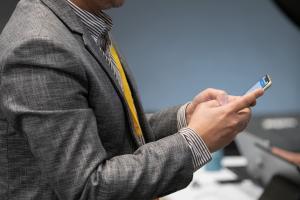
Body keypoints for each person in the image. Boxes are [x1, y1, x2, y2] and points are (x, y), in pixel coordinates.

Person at [0, 0, 263, 199]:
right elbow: (89, 188)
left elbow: (111, 130)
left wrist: (186, 117)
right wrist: (196, 141)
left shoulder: (83, 25)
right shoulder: (40, 46)